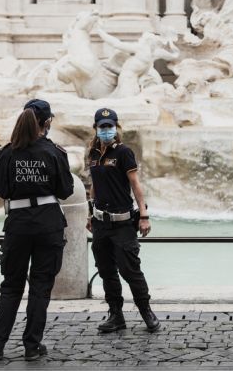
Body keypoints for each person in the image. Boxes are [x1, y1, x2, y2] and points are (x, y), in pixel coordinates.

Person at [0, 99, 74, 361]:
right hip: (48, 223)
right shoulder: (55, 152)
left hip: (19, 223)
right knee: (40, 286)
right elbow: (66, 191)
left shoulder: (8, 152)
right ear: (47, 123)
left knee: (11, 286)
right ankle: (32, 347)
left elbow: (0, 189)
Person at [87, 108, 160, 333]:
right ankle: (116, 315)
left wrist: (144, 215)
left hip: (122, 223)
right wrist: (90, 213)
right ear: (96, 128)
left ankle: (146, 312)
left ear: (116, 128)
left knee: (130, 270)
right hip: (100, 223)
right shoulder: (92, 153)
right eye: (102, 126)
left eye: (110, 126)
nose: (106, 130)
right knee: (107, 270)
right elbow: (93, 185)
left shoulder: (124, 152)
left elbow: (135, 185)